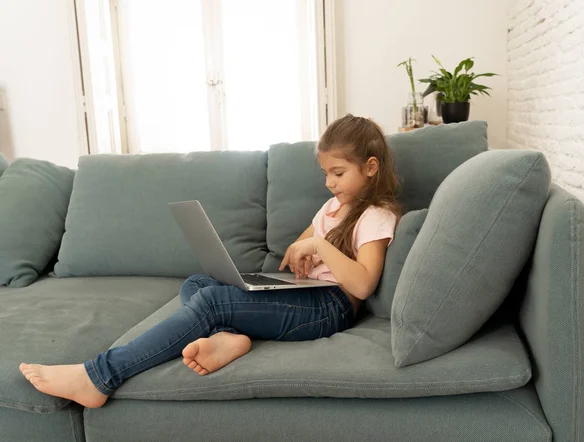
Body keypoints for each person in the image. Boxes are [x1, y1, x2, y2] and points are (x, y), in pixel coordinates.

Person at [19, 114, 402, 409]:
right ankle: (230, 336)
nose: (329, 183)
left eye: (338, 173)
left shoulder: (376, 215)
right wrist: (303, 253)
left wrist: (320, 245)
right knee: (198, 284)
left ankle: (99, 376)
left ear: (370, 167)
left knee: (211, 302)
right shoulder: (333, 207)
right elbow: (298, 250)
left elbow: (365, 283)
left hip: (330, 307)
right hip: (307, 293)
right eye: (325, 174)